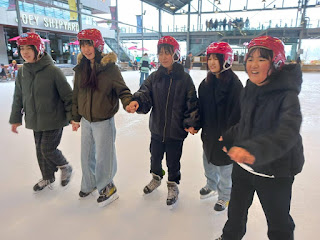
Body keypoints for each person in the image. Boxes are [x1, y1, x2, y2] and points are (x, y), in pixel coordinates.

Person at [215, 36, 304, 240]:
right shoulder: (250, 89)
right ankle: (230, 236)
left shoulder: (287, 96)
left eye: (262, 59)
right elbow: (246, 124)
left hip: (274, 171)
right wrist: (229, 138)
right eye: (250, 58)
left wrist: (253, 151)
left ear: (277, 62)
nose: (253, 65)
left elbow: (286, 133)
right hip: (244, 168)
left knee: (279, 222)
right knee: (236, 212)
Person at [126, 36, 200, 207]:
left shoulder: (185, 79)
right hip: (157, 129)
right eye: (160, 54)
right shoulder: (154, 77)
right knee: (155, 157)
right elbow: (144, 92)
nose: (163, 57)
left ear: (175, 54)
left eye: (167, 53)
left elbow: (192, 102)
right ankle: (156, 177)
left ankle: (173, 184)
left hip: (176, 132)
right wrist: (137, 101)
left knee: (173, 161)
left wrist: (191, 122)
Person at [71, 28, 133, 207]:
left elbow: (122, 90)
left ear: (97, 44)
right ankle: (90, 183)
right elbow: (76, 94)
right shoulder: (81, 68)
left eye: (89, 44)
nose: (86, 49)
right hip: (86, 119)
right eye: (83, 45)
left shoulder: (109, 68)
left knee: (104, 156)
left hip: (103, 120)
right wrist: (75, 117)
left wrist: (128, 102)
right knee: (86, 154)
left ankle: (107, 186)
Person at [9, 32, 73, 192]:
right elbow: (18, 96)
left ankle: (65, 166)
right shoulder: (22, 72)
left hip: (54, 118)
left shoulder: (53, 71)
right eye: (22, 48)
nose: (24, 52)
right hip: (35, 119)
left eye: (28, 48)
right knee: (40, 150)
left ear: (38, 48)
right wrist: (16, 118)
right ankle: (48, 177)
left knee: (47, 149)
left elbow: (68, 96)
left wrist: (73, 117)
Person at [198, 42, 243, 211]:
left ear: (226, 60)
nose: (211, 62)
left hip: (226, 136)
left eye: (216, 58)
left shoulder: (235, 85)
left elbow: (238, 114)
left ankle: (225, 196)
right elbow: (200, 108)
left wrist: (230, 136)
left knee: (225, 168)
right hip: (209, 134)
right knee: (208, 161)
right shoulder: (205, 83)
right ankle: (211, 184)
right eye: (209, 58)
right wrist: (195, 124)